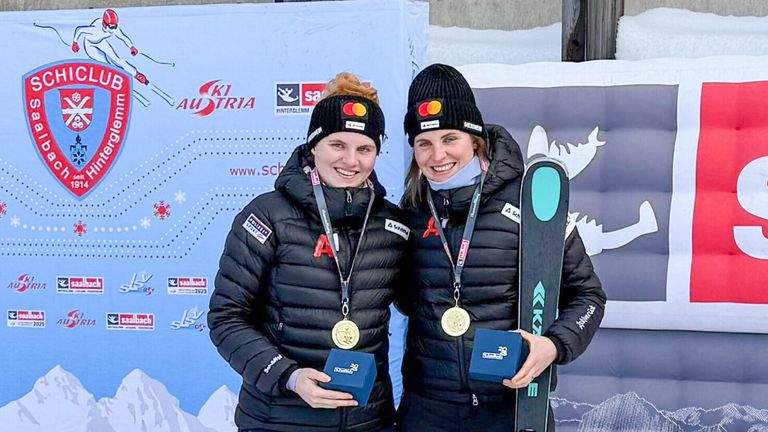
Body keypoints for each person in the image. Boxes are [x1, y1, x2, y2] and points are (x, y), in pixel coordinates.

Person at [395, 63, 607, 431]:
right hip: (427, 407)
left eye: (450, 139)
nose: (438, 155)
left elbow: (588, 296)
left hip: (509, 404)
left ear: (474, 140)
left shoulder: (530, 205)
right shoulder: (411, 211)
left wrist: (554, 345)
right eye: (423, 144)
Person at [208, 73, 408, 432]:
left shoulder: (391, 225)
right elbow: (226, 318)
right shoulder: (268, 216)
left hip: (366, 421)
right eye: (337, 145)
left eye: (364, 148)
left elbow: (428, 302)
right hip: (279, 419)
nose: (351, 160)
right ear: (313, 145)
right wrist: (289, 376)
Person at [71, 9, 148, 85]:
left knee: (116, 59)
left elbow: (123, 37)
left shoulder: (114, 29)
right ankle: (114, 78)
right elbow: (79, 29)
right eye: (111, 27)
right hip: (90, 46)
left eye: (115, 26)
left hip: (101, 42)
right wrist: (75, 42)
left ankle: (136, 74)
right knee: (105, 62)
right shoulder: (94, 29)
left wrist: (131, 47)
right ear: (105, 25)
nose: (113, 29)